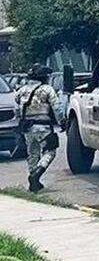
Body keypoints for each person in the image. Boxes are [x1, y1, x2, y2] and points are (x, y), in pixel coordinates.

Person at [14, 64, 65, 193]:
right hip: (43, 126)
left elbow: (17, 109)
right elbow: (57, 107)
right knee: (50, 151)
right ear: (44, 77)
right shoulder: (47, 89)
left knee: (33, 154)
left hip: (27, 128)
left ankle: (33, 183)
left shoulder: (21, 90)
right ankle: (36, 175)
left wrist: (21, 121)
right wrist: (62, 122)